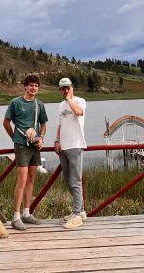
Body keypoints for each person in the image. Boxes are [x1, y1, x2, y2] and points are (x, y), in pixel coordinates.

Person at [3, 73, 48, 231]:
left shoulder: (39, 105)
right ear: (25, 86)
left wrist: (41, 137)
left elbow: (43, 125)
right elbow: (6, 122)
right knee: (21, 180)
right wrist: (14, 138)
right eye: (31, 85)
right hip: (21, 145)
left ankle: (27, 213)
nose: (33, 88)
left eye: (36, 86)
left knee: (31, 179)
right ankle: (15, 217)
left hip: (35, 146)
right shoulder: (15, 103)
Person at [53, 76, 86, 229]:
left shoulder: (80, 101)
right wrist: (56, 141)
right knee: (68, 180)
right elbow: (59, 125)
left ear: (72, 88)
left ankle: (77, 214)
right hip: (63, 147)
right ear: (59, 90)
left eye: (68, 88)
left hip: (75, 145)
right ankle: (81, 210)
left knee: (76, 181)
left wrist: (70, 99)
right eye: (63, 88)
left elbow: (78, 112)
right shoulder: (60, 106)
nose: (65, 91)